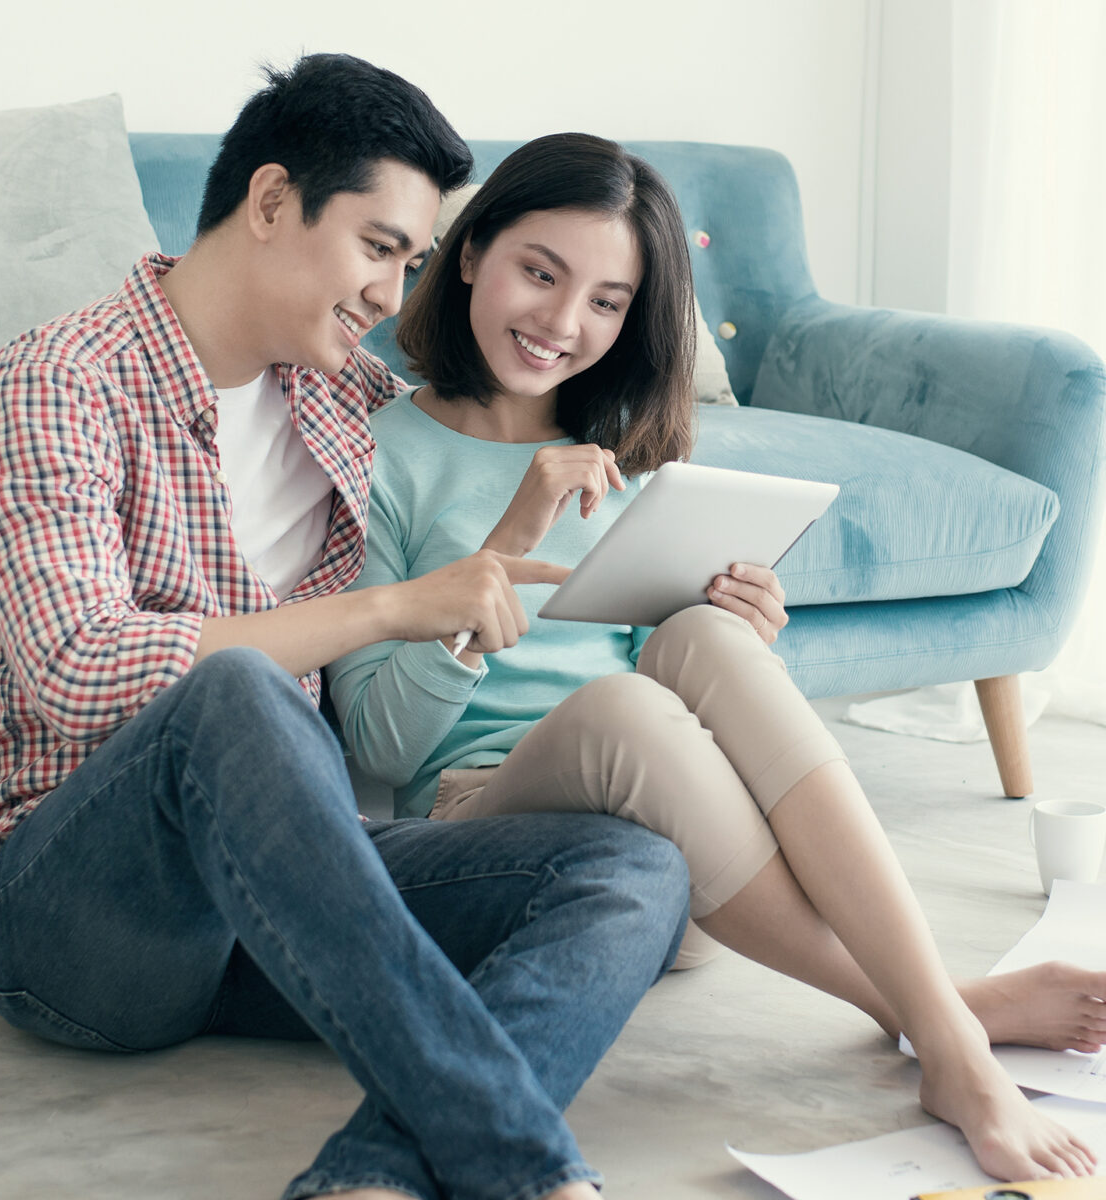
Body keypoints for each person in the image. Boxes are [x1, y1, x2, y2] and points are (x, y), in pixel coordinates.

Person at [0, 59, 695, 1200]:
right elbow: (78, 668)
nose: (394, 296)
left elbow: (487, 473)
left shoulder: (349, 407)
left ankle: (374, 1176)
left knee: (630, 869)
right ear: (274, 201)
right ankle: (524, 1168)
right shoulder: (60, 381)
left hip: (286, 893)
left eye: (414, 261)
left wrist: (693, 584)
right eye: (380, 247)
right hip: (77, 917)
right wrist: (389, 606)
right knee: (234, 691)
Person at [326, 132, 1105, 1184]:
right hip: (489, 840)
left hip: (683, 883)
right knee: (623, 712)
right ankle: (949, 1027)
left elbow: (676, 684)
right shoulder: (374, 455)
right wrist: (503, 550)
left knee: (696, 640)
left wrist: (742, 636)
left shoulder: (631, 469)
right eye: (539, 273)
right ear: (470, 254)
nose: (562, 323)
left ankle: (943, 1024)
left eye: (606, 301)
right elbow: (373, 739)